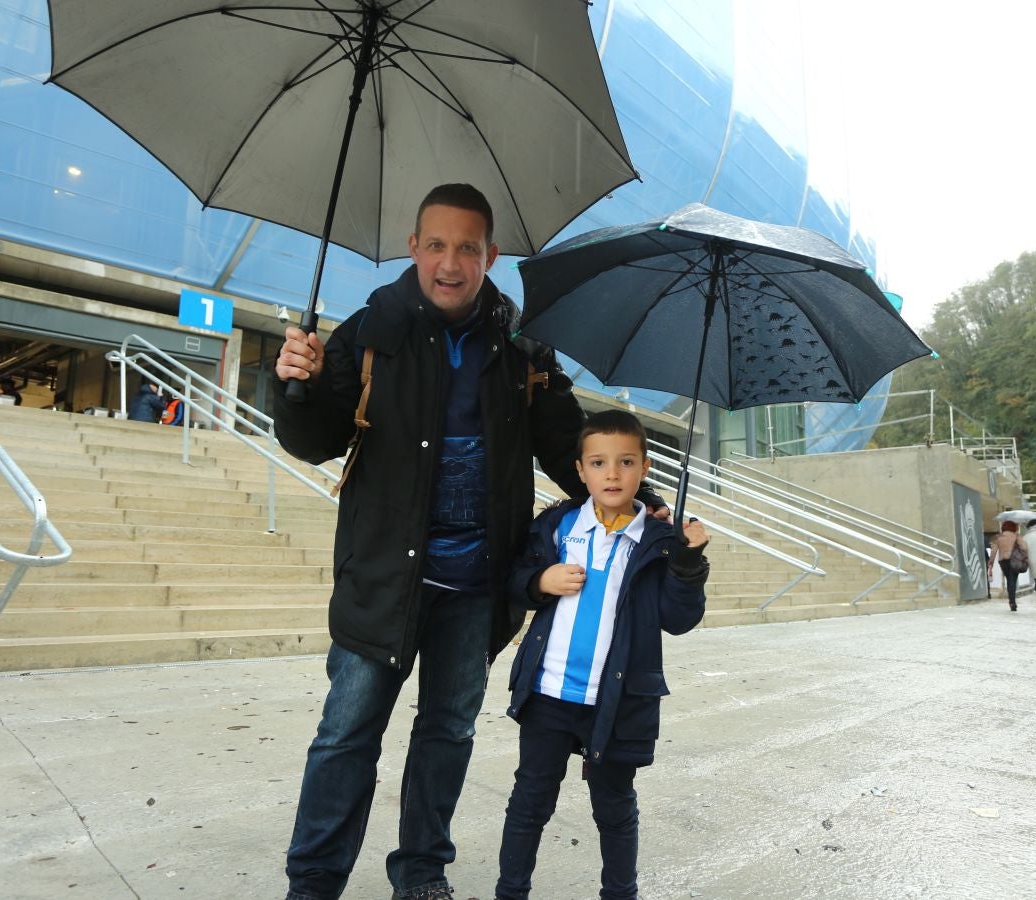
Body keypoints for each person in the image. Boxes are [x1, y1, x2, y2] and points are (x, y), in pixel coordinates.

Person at [271, 184, 668, 900]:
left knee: (447, 733)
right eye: (435, 245)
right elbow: (313, 441)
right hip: (382, 581)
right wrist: (296, 386)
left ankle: (422, 873)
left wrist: (639, 504)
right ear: (414, 248)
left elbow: (566, 450)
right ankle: (314, 882)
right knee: (345, 736)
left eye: (467, 248)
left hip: (476, 588)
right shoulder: (371, 331)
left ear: (490, 256)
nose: (449, 263)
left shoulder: (521, 348)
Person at [494, 410, 709, 900]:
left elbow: (678, 619)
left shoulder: (659, 542)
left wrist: (688, 561)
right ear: (580, 469)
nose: (612, 474)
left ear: (646, 468)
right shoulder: (555, 526)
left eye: (626, 461)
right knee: (529, 801)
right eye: (599, 462)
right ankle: (510, 892)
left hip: (618, 702)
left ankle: (620, 893)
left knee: (614, 807)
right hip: (548, 692)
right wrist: (539, 582)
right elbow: (512, 580)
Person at [987, 521, 1025, 611]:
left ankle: (1011, 601)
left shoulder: (999, 537)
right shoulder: (1017, 536)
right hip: (1015, 560)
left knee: (1009, 579)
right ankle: (1013, 600)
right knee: (1013, 580)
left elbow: (994, 551)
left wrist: (991, 562)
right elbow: (1024, 548)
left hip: (1004, 561)